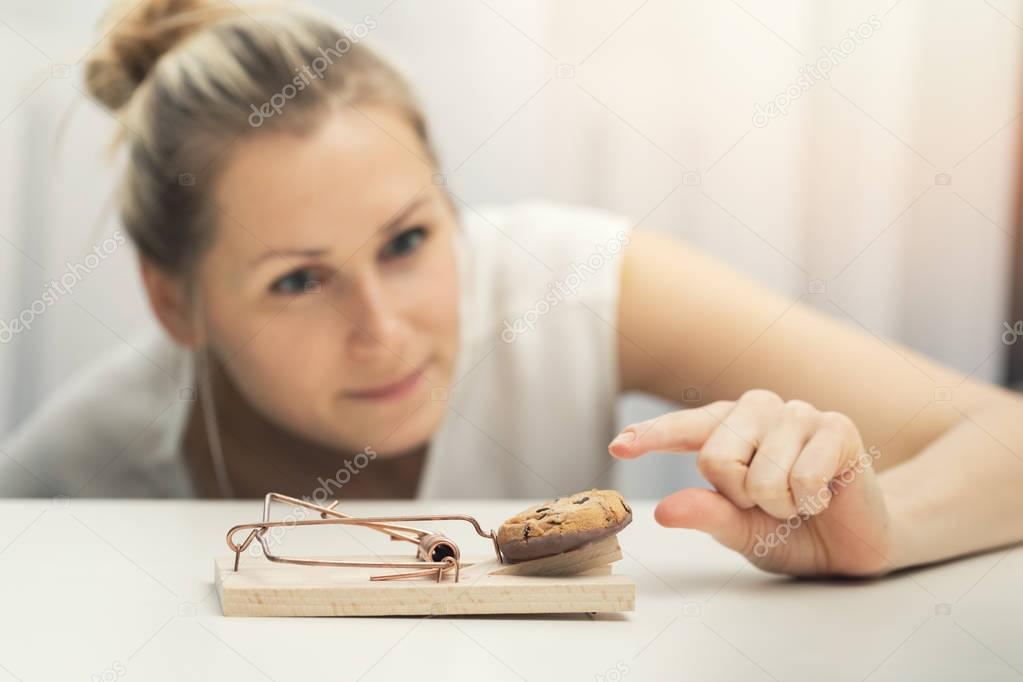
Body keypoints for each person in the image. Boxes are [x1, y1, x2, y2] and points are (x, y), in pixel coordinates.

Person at [2, 0, 1022, 578]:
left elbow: (1005, 437)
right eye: (300, 278)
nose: (384, 328)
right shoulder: (72, 469)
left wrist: (888, 533)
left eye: (407, 239)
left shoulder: (566, 280)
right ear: (175, 302)